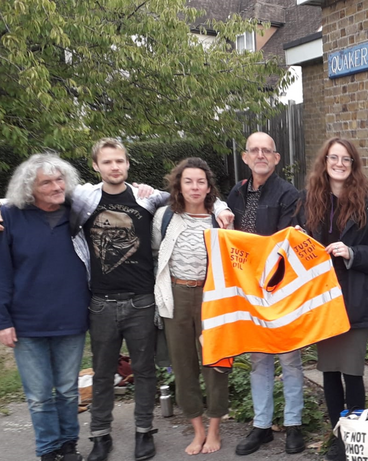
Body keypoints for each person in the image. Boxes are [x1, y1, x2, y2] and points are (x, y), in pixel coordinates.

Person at [70, 138, 232, 461]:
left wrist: (223, 207)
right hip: (143, 298)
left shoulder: (209, 215)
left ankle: (190, 430)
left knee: (205, 364)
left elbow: (231, 244)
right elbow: (157, 253)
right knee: (170, 368)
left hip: (194, 298)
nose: (115, 167)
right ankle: (107, 435)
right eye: (108, 162)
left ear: (128, 164)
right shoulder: (150, 213)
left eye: (120, 161)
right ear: (96, 166)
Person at [293, 138, 368, 461]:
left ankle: (356, 436)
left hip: (354, 299)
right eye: (333, 158)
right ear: (324, 162)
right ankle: (338, 436)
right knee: (330, 370)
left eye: (346, 159)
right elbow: (293, 243)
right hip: (322, 300)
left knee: (351, 370)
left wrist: (352, 252)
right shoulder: (307, 201)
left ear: (353, 165)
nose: (339, 163)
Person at [0, 154, 89, 461]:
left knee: (67, 391)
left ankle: (68, 444)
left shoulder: (77, 211)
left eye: (60, 179)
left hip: (71, 317)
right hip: (27, 322)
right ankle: (48, 449)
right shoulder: (9, 216)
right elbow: (2, 272)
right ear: (30, 188)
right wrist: (3, 320)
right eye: (46, 182)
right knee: (38, 396)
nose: (56, 186)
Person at [228, 132, 306, 456]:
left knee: (290, 359)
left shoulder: (290, 194)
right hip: (247, 291)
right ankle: (262, 427)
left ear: (276, 158)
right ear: (245, 158)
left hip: (279, 289)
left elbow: (284, 244)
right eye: (254, 150)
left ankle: (293, 425)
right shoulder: (235, 193)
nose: (260, 155)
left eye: (267, 151)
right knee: (259, 360)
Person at [152, 158, 230, 455]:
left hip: (211, 298)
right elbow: (155, 254)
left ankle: (214, 430)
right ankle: (197, 431)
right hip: (176, 295)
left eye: (200, 181)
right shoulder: (164, 217)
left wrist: (222, 208)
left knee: (215, 364)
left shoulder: (219, 218)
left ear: (209, 186)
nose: (195, 187)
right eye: (188, 181)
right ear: (179, 185)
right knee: (184, 367)